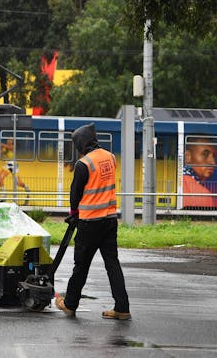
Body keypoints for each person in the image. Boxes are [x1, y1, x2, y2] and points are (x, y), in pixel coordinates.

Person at [55, 123, 131, 320]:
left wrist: (73, 213)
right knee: (112, 264)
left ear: (81, 143)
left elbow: (75, 194)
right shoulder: (110, 158)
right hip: (110, 220)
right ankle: (122, 308)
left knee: (81, 265)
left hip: (89, 223)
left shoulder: (84, 164)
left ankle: (70, 304)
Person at [182, 138, 217, 208]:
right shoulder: (204, 195)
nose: (213, 162)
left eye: (214, 156)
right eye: (205, 154)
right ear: (187, 157)